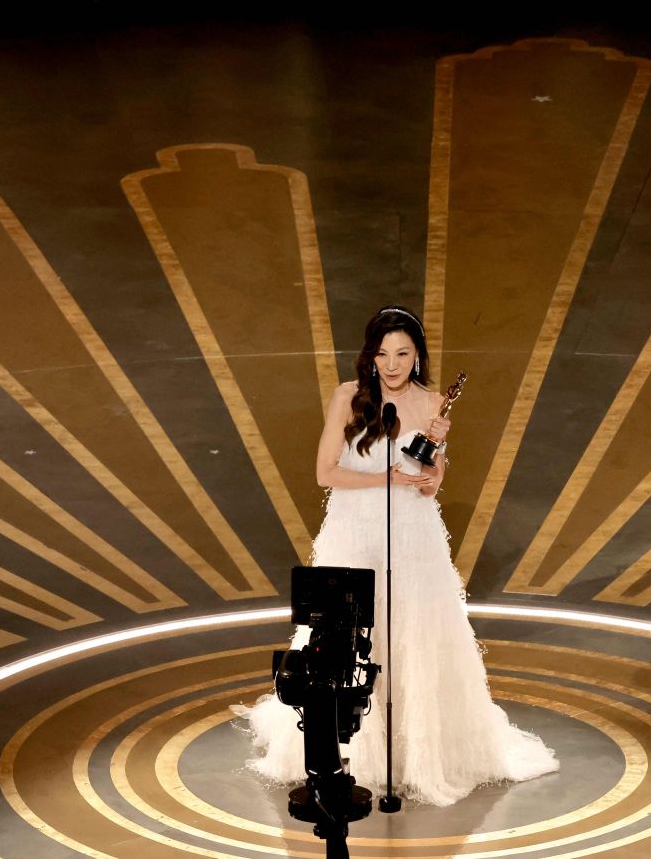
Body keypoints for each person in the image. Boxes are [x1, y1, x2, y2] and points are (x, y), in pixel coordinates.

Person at [234, 305, 557, 806]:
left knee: (415, 635)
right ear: (370, 354)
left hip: (413, 537)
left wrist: (437, 465)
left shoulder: (432, 402)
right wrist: (382, 479)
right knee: (346, 638)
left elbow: (430, 487)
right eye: (383, 353)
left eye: (403, 353)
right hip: (354, 532)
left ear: (417, 355)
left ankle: (416, 754)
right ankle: (347, 749)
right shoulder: (348, 397)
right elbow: (325, 473)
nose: (392, 363)